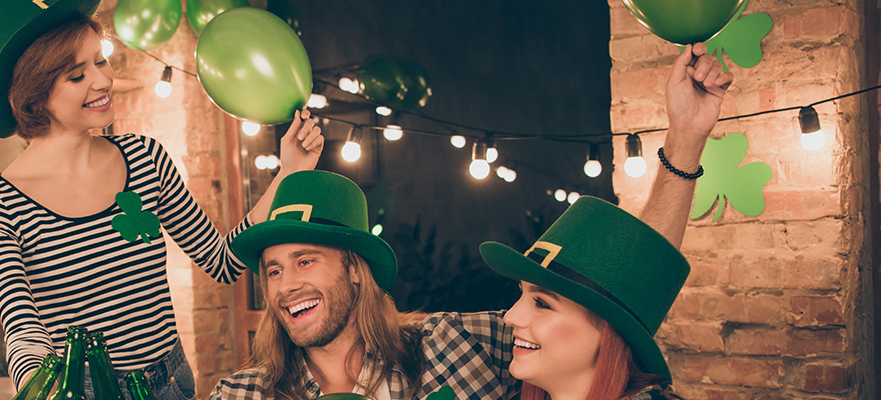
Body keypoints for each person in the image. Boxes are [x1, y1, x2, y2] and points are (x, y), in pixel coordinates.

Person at [210, 43, 731, 400]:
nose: (285, 283)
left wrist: (684, 142)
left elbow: (616, 294)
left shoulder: (457, 346)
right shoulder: (241, 394)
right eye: (273, 269)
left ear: (353, 269)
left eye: (305, 260)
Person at [0, 0, 323, 398]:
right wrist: (40, 388)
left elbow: (221, 261)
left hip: (170, 383)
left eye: (101, 61)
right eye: (78, 75)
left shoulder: (144, 158)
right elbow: (22, 326)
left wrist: (287, 173)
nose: (103, 80)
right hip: (83, 391)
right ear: (34, 96)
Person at [479, 42, 734, 400]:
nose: (509, 318)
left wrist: (686, 138)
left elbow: (632, 281)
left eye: (542, 303)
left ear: (610, 331)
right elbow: (634, 274)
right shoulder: (490, 362)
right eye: (523, 294)